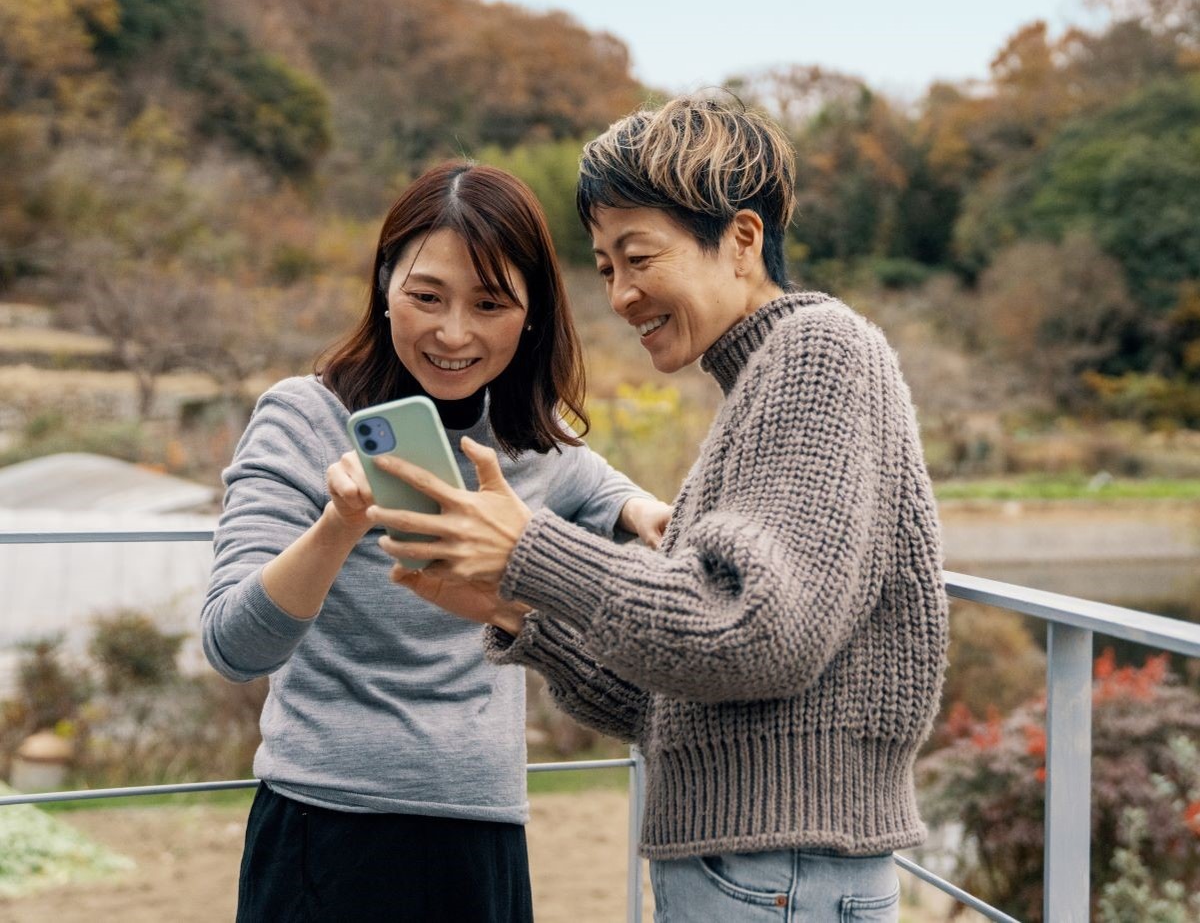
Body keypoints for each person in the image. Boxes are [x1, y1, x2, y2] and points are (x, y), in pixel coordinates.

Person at [378, 98, 950, 922]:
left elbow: (755, 636)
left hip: (778, 869)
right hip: (753, 864)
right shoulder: (759, 382)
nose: (619, 293)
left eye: (638, 256)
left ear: (743, 240)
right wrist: (512, 604)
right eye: (606, 266)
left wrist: (533, 552)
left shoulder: (819, 352)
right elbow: (669, 698)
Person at [201, 160, 671, 923]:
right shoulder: (300, 419)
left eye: (490, 304)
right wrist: (338, 526)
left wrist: (640, 511)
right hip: (325, 830)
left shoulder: (529, 442)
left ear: (532, 317)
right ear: (384, 288)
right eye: (426, 297)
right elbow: (233, 647)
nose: (454, 334)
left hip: (482, 836)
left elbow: (591, 482)